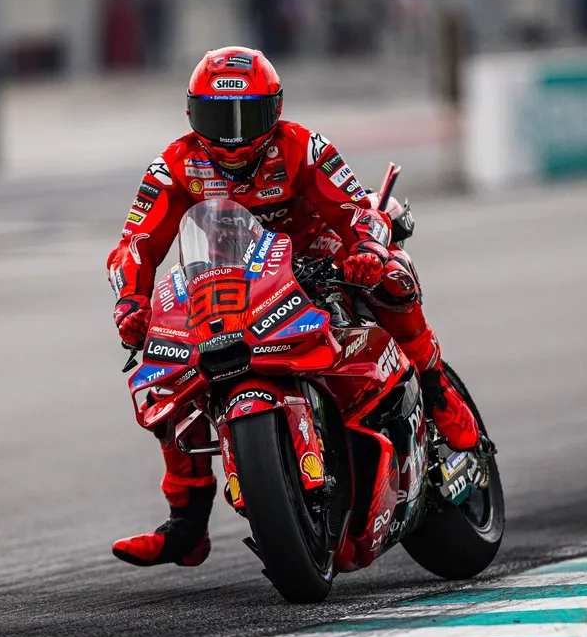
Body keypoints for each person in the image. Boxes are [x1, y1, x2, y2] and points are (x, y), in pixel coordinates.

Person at [106, 46, 481, 567]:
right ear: (193, 115)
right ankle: (187, 523)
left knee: (393, 275)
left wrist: (368, 251)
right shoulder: (173, 165)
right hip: (228, 280)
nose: (233, 137)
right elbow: (135, 244)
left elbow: (355, 209)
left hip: (312, 257)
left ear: (275, 110)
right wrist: (130, 302)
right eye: (220, 117)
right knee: (163, 370)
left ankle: (437, 387)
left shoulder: (303, 146)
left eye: (249, 117)